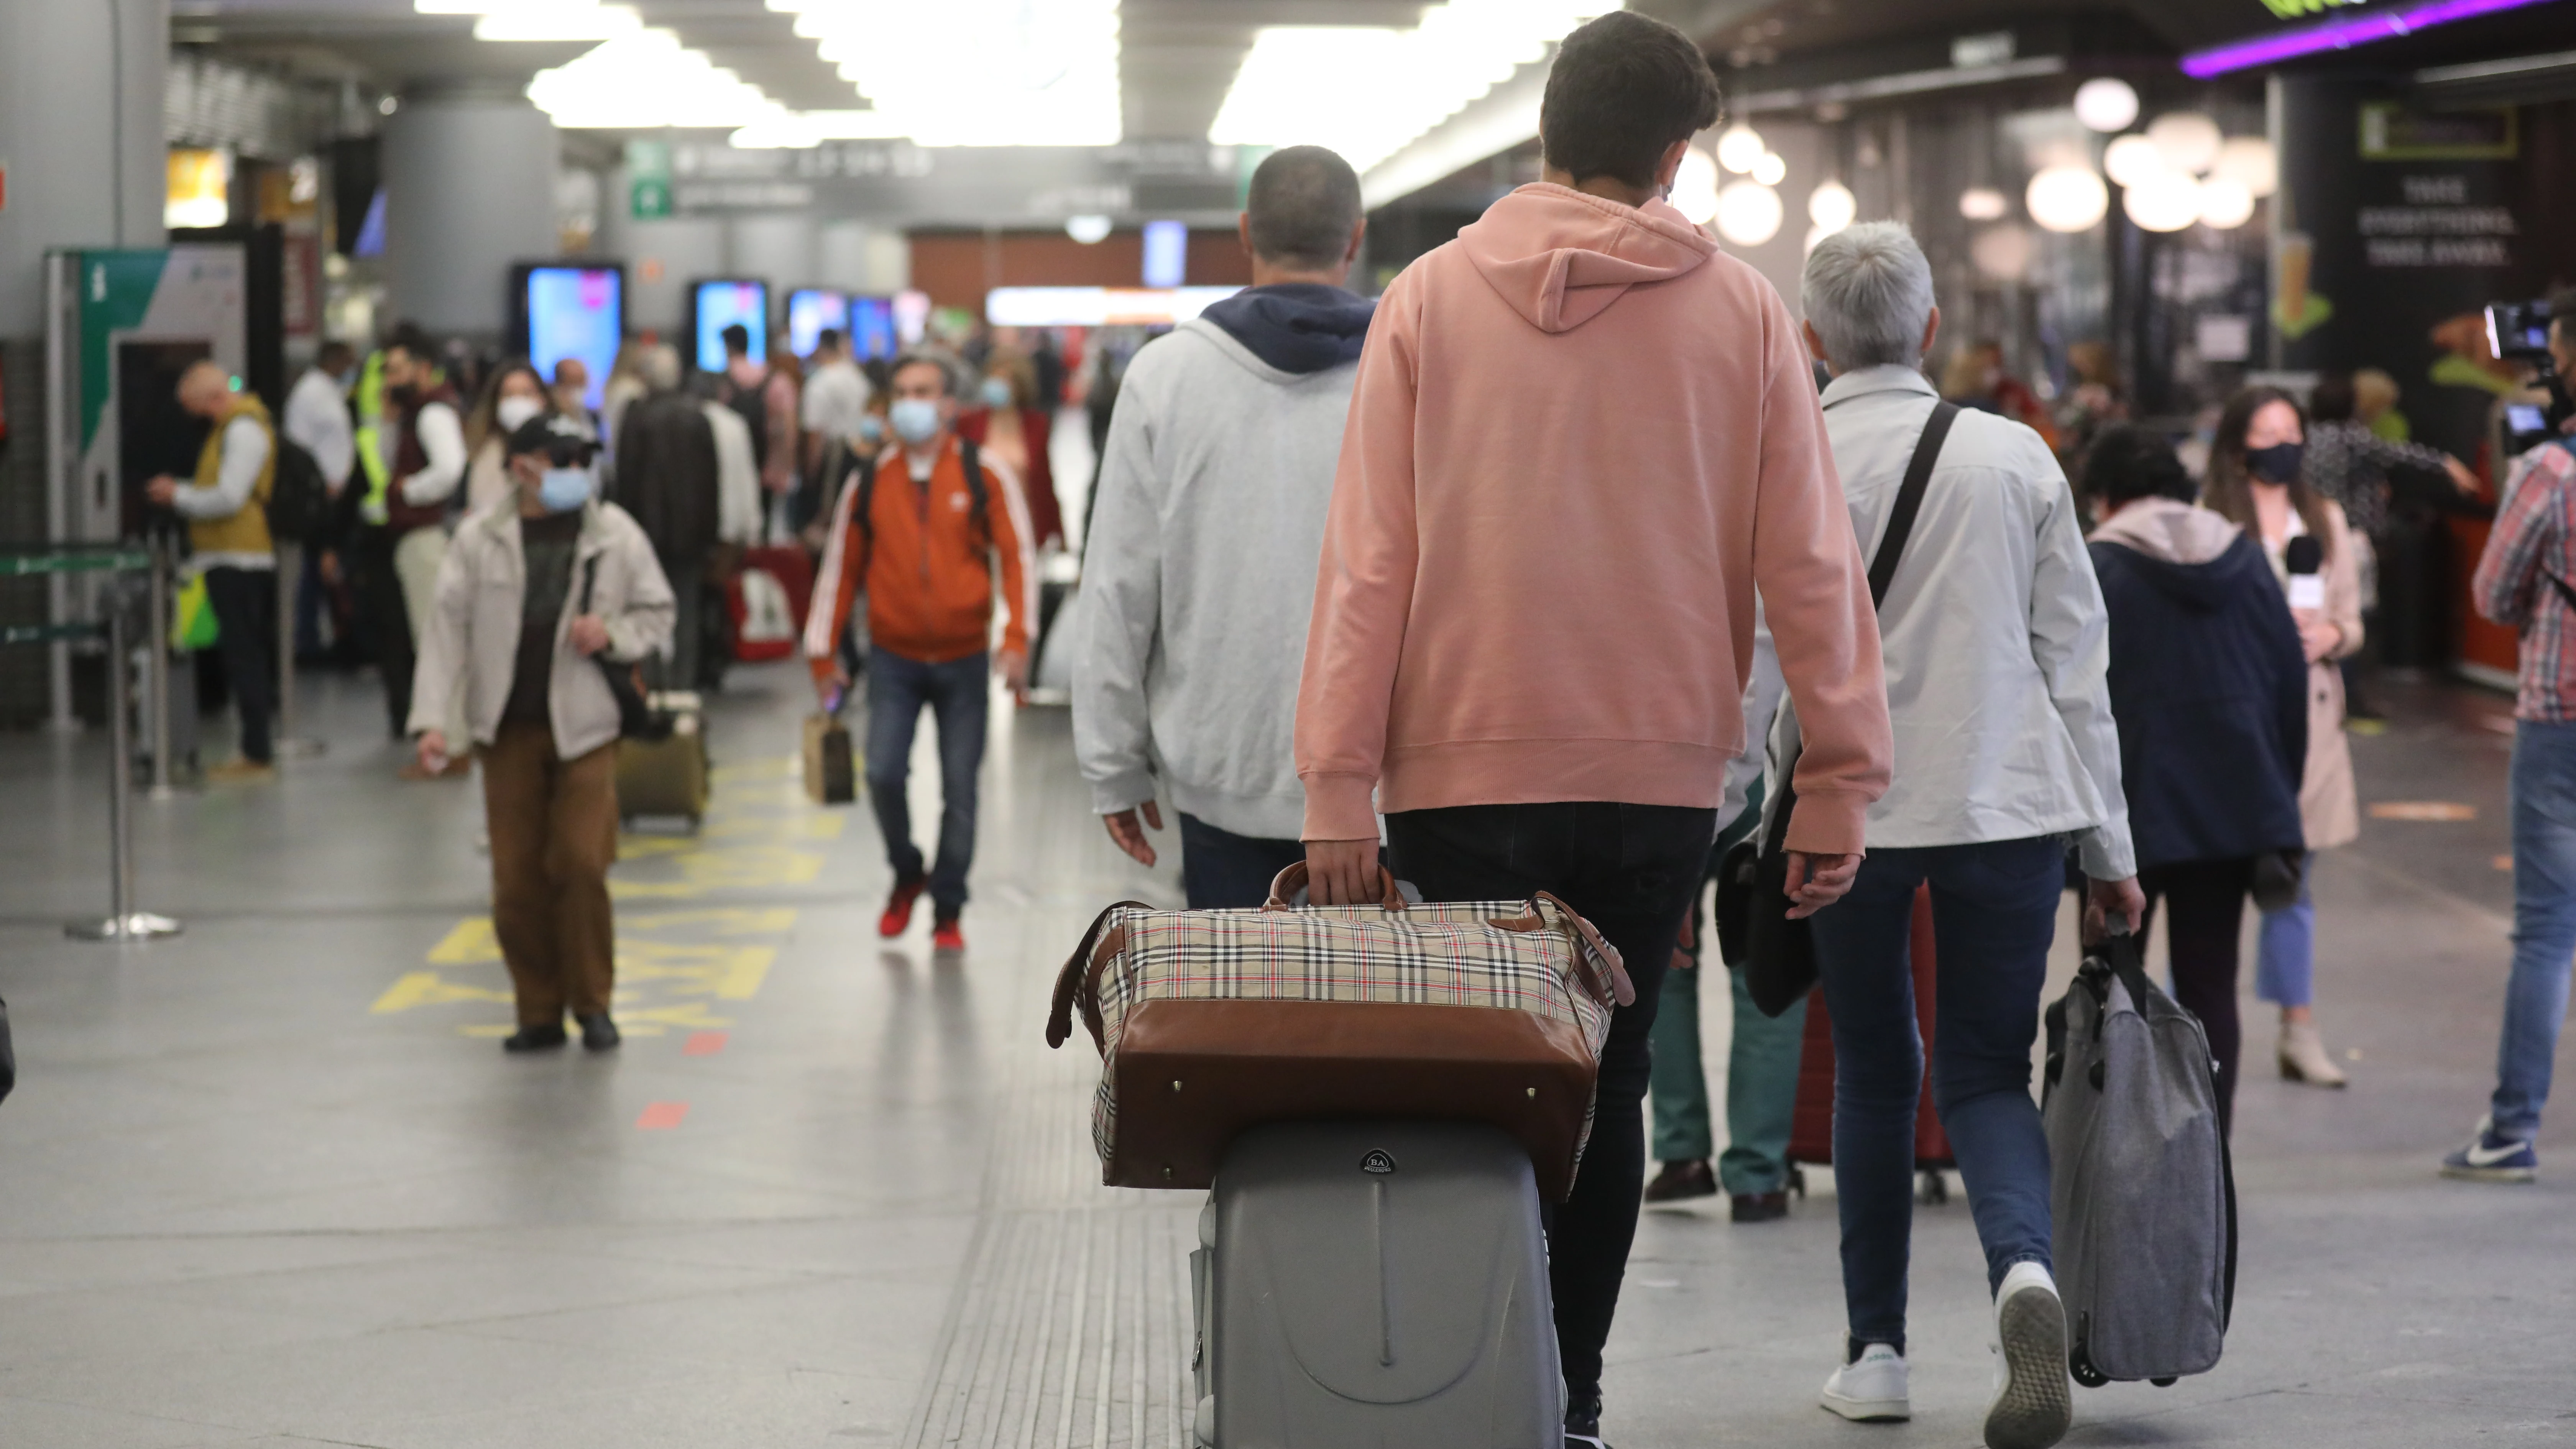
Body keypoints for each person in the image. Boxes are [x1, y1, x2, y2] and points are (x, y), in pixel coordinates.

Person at [1292, 16, 1895, 1447]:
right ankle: (1569, 1398)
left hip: (1456, 769)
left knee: (1478, 1082)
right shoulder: (1744, 313)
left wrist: (1333, 787)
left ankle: (1465, 1389)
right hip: (1654, 774)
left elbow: (1366, 560)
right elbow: (1807, 563)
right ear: (1675, 156)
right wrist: (1836, 783)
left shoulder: (1428, 299)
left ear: (1542, 137)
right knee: (1609, 1081)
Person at [1747, 223, 2136, 1447]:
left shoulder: (1785, 454)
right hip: (2002, 805)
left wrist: (1759, 815)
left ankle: (1873, 1357)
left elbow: (1765, 672)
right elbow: (2075, 670)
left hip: (1846, 814)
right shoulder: (2015, 456)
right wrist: (2109, 850)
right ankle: (2021, 1276)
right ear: (1925, 330)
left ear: (1808, 339)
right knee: (1978, 1068)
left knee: (1874, 1066)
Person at [1075, 145, 1373, 908]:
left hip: (1221, 772)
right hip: (1379, 788)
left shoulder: (1165, 376)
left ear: (1245, 232)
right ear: (1356, 238)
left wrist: (1113, 763)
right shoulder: (1414, 369)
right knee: (1383, 1021)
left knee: (1250, 1020)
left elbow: (1117, 587)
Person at [411, 414, 674, 1053]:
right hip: (506, 727)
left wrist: (613, 633)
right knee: (517, 876)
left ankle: (595, 1003)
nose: (575, 470)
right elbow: (447, 633)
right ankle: (538, 1008)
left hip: (586, 725)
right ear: (523, 466)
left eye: (583, 457)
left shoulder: (615, 535)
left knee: (582, 863)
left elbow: (659, 612)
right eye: (561, 457)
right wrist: (431, 722)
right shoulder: (479, 540)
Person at [2086, 422, 2308, 1139]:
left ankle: (2117, 1148)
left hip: (2125, 810)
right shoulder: (2244, 561)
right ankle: (2207, 1161)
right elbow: (2288, 686)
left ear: (2104, 496)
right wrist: (2280, 799)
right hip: (2233, 802)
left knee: (2114, 978)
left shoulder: (2097, 567)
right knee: (2212, 982)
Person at [806, 353, 1033, 955]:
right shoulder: (870, 481)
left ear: (949, 403)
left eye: (924, 391)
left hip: (963, 661)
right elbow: (839, 570)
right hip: (893, 660)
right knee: (882, 773)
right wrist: (821, 654)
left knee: (960, 789)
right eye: (902, 391)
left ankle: (949, 907)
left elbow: (1019, 560)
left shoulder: (983, 473)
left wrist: (1016, 642)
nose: (912, 401)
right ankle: (909, 872)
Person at [2204, 386, 2366, 1088]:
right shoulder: (2209, 519)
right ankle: (2192, 1030)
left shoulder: (2323, 518)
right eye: (2267, 431)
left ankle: (2298, 1029)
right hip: (2229, 721)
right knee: (2209, 887)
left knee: (2293, 884)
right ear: (2240, 443)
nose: (2282, 444)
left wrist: (2329, 634)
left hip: (2310, 718)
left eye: (2291, 430)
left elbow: (2353, 621)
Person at [2449, 397, 2576, 1180]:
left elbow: (2493, 598)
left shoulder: (2550, 470)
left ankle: (2510, 1131)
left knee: (2546, 932)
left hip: (2559, 722)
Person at [144, 360, 281, 782]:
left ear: (214, 399)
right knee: (241, 657)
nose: (199, 419)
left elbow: (229, 497)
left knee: (246, 660)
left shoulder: (242, 431)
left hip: (237, 558)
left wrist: (178, 495)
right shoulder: (232, 429)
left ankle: (257, 753)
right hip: (223, 555)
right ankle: (252, 748)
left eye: (200, 410)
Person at [352, 328, 469, 767]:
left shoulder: (431, 413)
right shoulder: (410, 412)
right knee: (426, 639)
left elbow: (450, 468)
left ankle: (453, 745)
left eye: (398, 370)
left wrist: (408, 492)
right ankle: (447, 741)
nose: (389, 379)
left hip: (423, 537)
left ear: (422, 369)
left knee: (434, 641)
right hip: (409, 537)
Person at [608, 343, 724, 690]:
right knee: (685, 611)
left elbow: (625, 477)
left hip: (647, 532)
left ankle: (654, 684)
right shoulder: (697, 416)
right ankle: (682, 686)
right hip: (690, 534)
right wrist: (711, 535)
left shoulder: (637, 416)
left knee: (647, 609)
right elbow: (710, 482)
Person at [283, 341, 359, 663]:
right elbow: (299, 448)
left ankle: (331, 639)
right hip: (321, 497)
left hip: (337, 495)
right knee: (316, 572)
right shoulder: (310, 394)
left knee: (325, 571)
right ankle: (307, 643)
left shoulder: (328, 392)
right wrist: (317, 488)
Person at [958, 348, 1066, 548]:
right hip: (981, 526)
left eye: (1005, 380)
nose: (997, 386)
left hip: (1025, 522)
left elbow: (1045, 481)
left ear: (1019, 386)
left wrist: (1059, 533)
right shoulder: (969, 423)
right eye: (994, 378)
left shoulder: (1036, 424)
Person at [463, 361, 553, 514]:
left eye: (527, 393)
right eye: (509, 395)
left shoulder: (559, 446)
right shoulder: (486, 453)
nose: (518, 402)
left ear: (543, 399)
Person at [551, 356, 597, 437]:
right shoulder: (552, 416)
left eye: (583, 382)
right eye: (574, 383)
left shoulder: (592, 414)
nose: (580, 389)